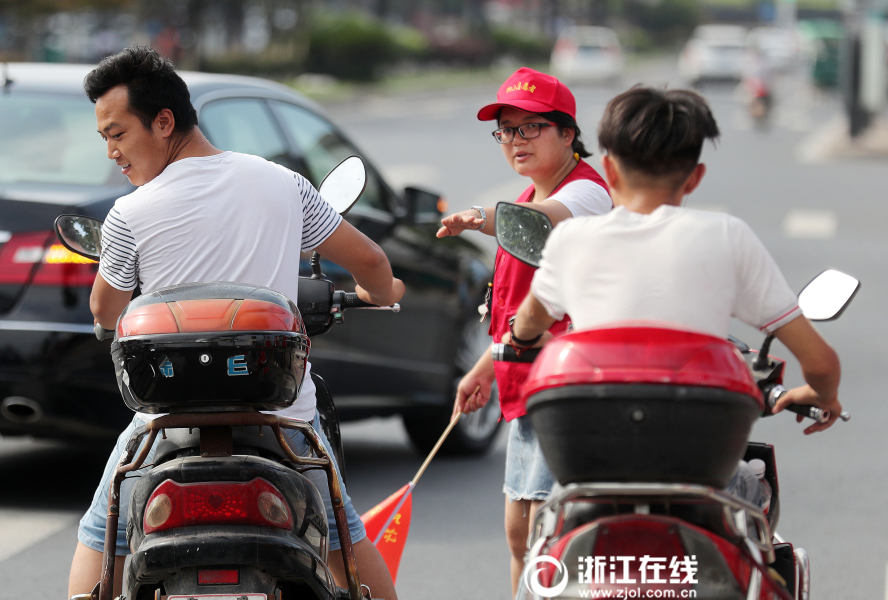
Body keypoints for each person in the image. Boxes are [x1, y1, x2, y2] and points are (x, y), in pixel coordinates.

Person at [67, 47, 403, 600]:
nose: (112, 153)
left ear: (164, 121)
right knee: (347, 543)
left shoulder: (130, 213)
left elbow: (105, 312)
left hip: (167, 426)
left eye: (117, 133)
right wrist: (379, 293)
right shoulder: (284, 184)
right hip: (281, 421)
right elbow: (373, 264)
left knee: (102, 539)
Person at [506, 86, 842, 440]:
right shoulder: (729, 236)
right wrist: (823, 396)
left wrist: (520, 338)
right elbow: (820, 363)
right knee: (750, 483)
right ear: (696, 177)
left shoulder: (571, 239)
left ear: (609, 170)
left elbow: (529, 321)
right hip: (698, 449)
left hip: (593, 445)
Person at [436, 67, 611, 595]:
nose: (515, 141)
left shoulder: (586, 196)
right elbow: (522, 311)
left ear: (567, 132)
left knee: (544, 536)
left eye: (530, 127)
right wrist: (483, 370)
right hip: (528, 379)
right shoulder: (536, 190)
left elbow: (534, 221)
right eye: (507, 130)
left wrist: (476, 215)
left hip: (567, 386)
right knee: (523, 534)